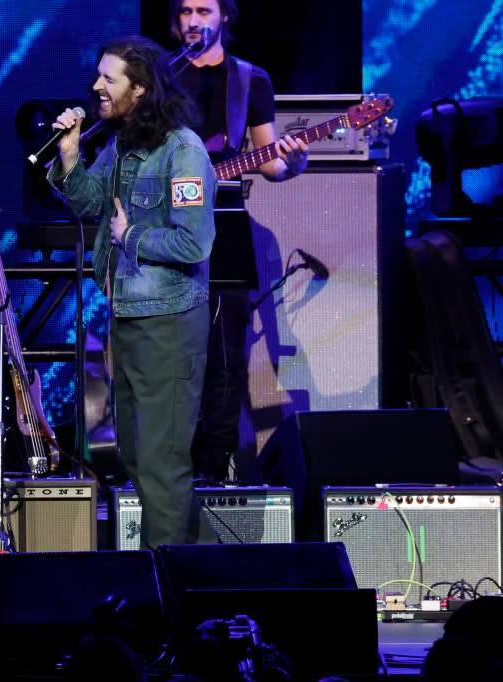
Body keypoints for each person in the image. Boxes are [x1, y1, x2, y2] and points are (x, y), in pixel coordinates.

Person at [47, 34, 218, 548]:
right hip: (130, 317)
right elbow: (88, 200)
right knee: (139, 454)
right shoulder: (124, 145)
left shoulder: (182, 151)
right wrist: (71, 155)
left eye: (109, 78)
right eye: (98, 75)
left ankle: (163, 591)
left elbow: (194, 242)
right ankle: (204, 574)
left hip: (169, 321)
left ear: (139, 88)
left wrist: (132, 236)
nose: (96, 86)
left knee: (163, 462)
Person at [170, 0, 309, 484]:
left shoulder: (250, 79)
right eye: (185, 11)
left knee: (227, 357)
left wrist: (293, 160)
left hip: (224, 226)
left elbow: (270, 161)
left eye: (203, 9)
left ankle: (217, 472)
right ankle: (170, 471)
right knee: (171, 360)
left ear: (224, 17)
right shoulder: (159, 79)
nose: (193, 20)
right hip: (164, 231)